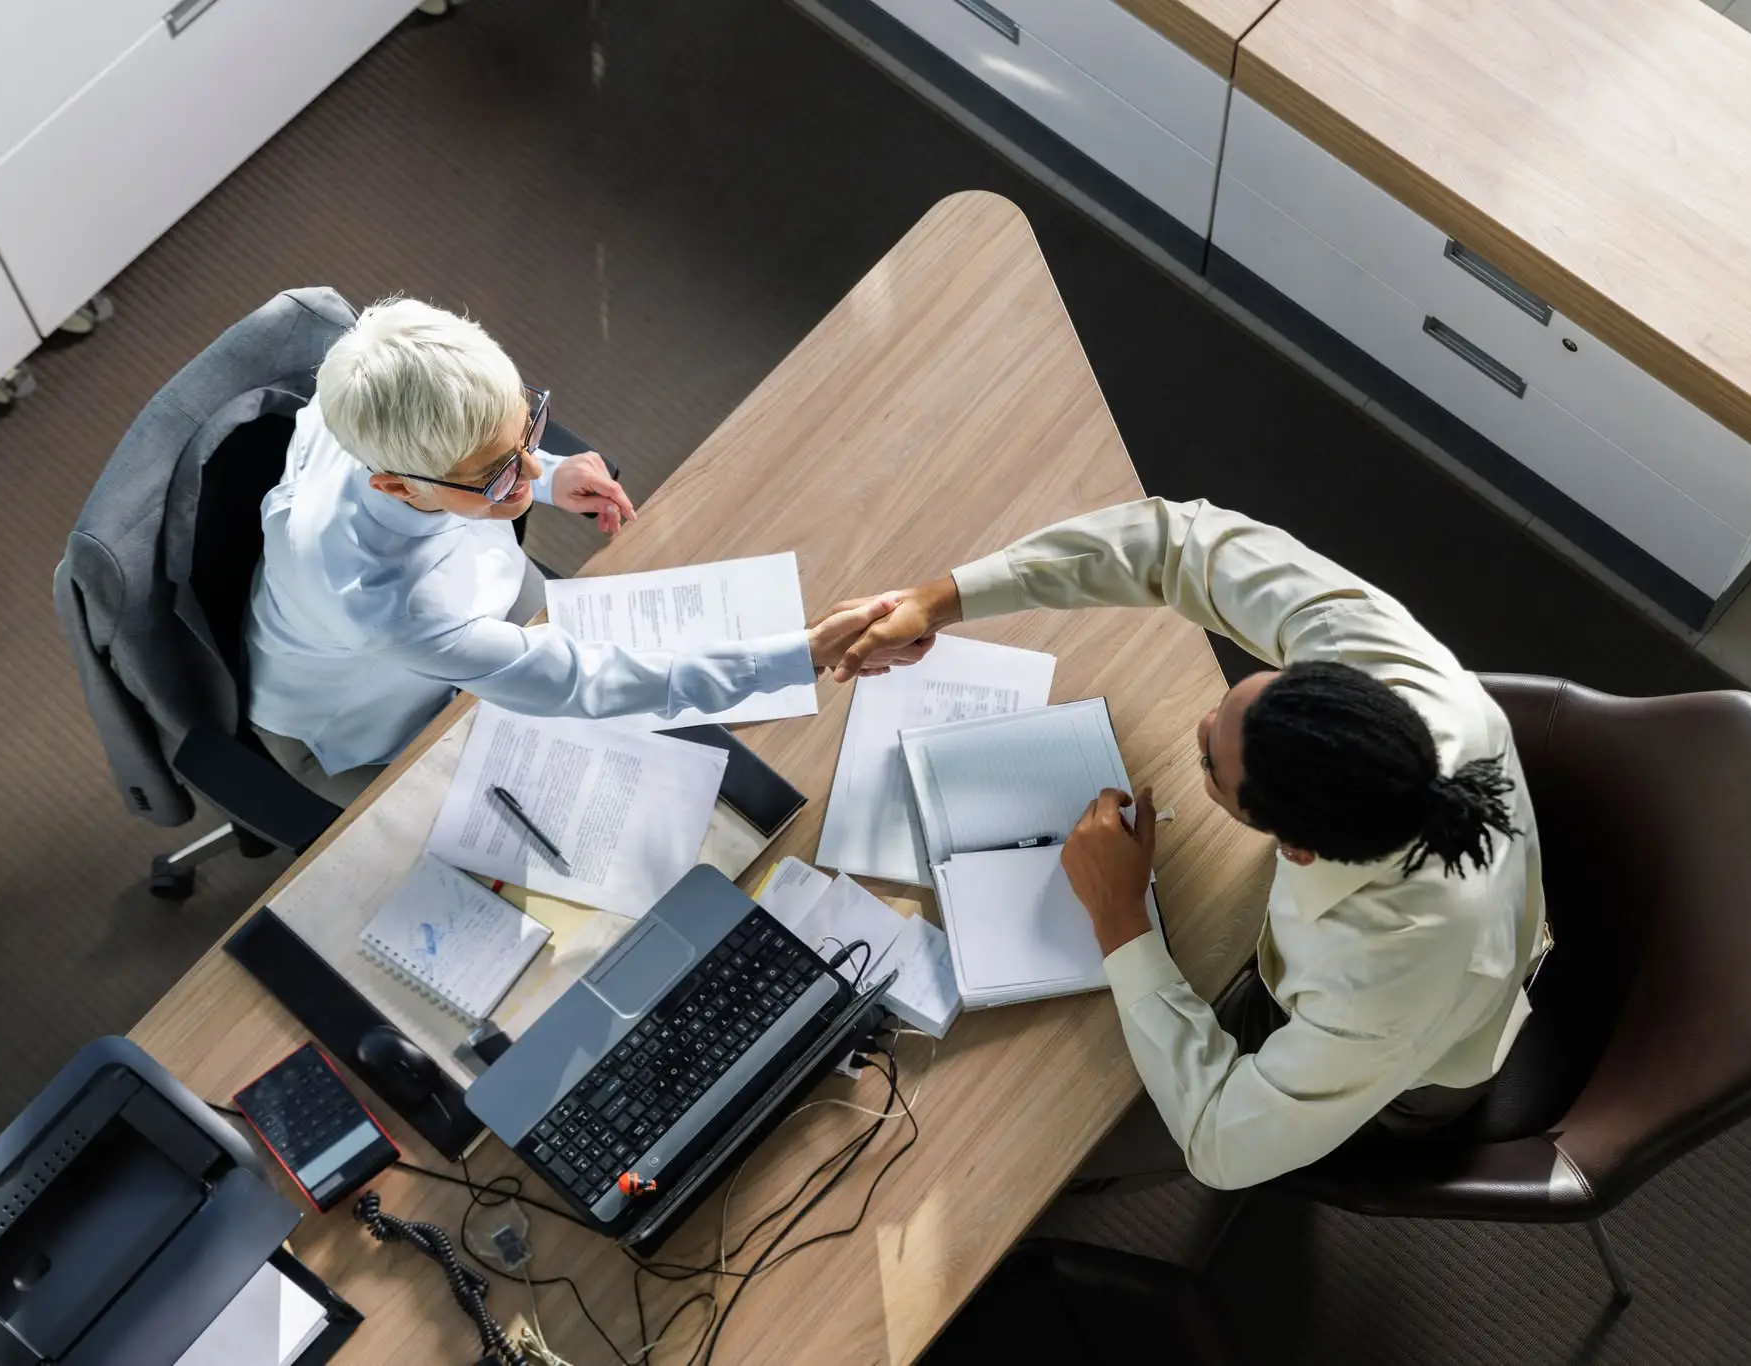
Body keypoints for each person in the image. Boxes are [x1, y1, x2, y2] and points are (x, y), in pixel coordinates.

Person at [833, 498, 1549, 1190]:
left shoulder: (1383, 975)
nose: (1204, 722)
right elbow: (1179, 542)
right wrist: (939, 599)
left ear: (1297, 849)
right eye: (1246, 693)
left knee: (1072, 1134)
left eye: (1210, 763)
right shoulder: (1384, 665)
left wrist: (1119, 917)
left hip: (1403, 1073)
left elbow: (1219, 1142)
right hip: (1378, 955)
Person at [245, 298, 901, 805]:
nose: (529, 473)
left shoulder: (380, 383)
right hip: (366, 720)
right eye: (500, 474)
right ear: (392, 483)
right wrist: (804, 651)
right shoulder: (390, 607)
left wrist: (553, 473)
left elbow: (490, 461)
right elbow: (587, 681)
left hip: (459, 603)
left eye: (526, 428)